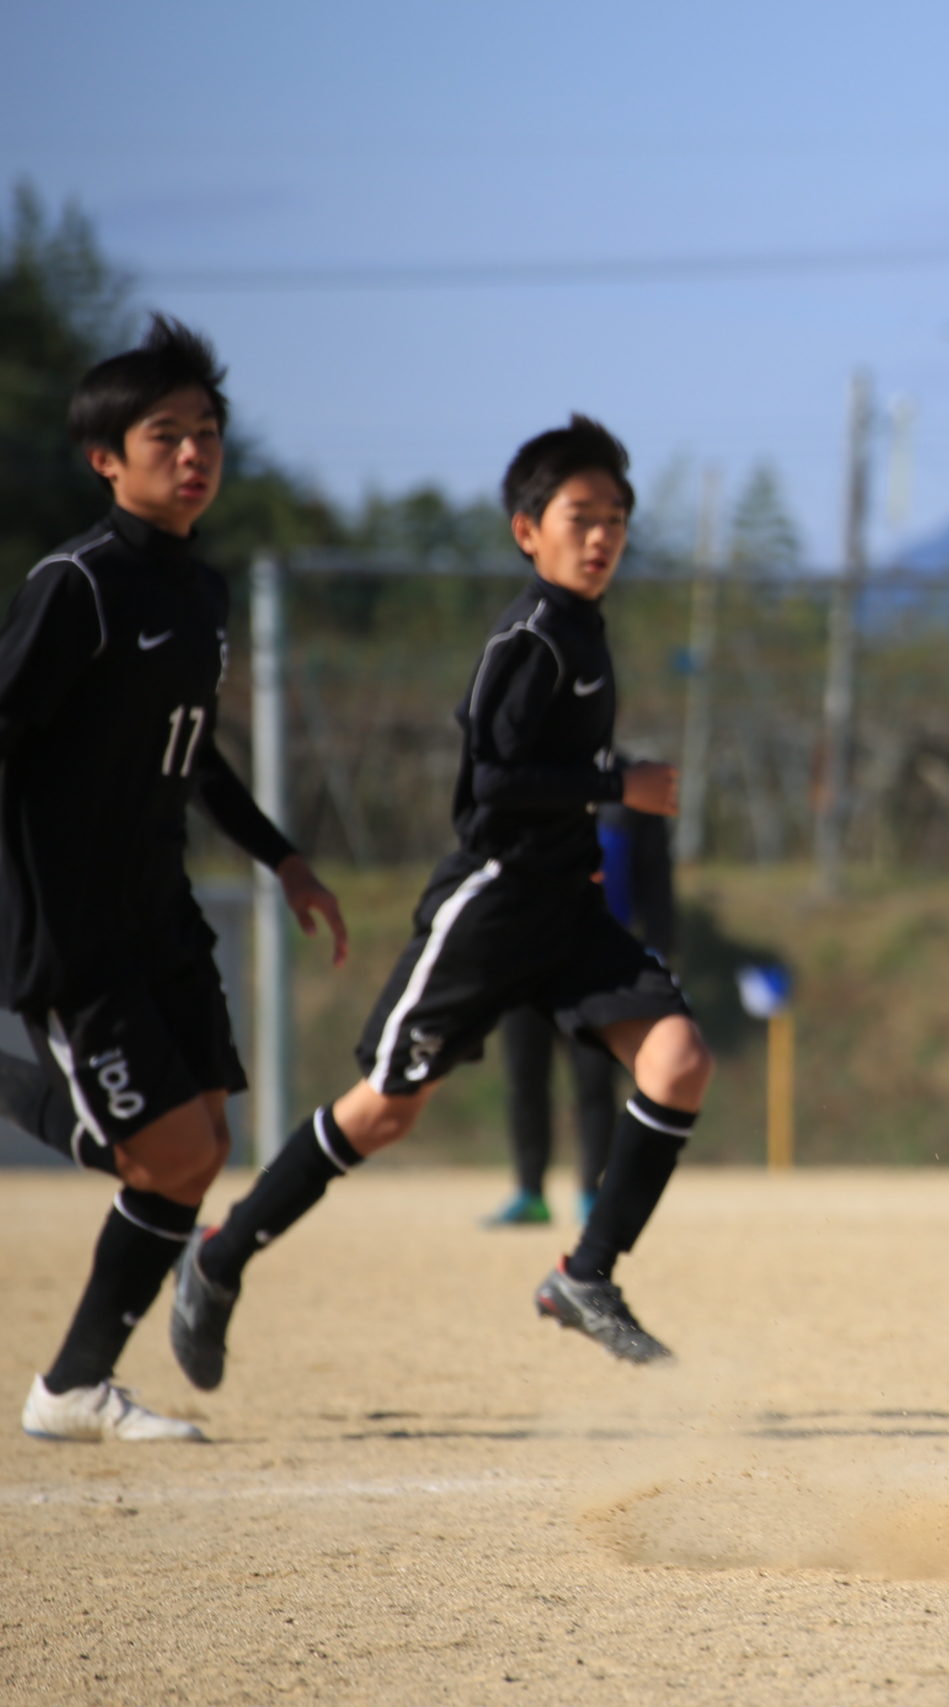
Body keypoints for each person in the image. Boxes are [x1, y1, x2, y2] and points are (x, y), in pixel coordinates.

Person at [168, 415, 712, 1381]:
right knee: (385, 1112)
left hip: (565, 908)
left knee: (677, 1062)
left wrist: (600, 789)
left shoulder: (586, 627)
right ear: (526, 530)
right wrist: (613, 781)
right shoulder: (531, 635)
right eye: (581, 516)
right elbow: (487, 785)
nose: (602, 536)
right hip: (492, 905)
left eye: (617, 518)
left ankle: (585, 1275)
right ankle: (220, 1255)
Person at [3, 318, 347, 1443]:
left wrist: (281, 856)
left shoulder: (197, 592)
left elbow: (193, 750)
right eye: (167, 435)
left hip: (162, 910)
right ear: (108, 458)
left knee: (202, 1139)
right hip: (79, 926)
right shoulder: (78, 587)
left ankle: (69, 1392)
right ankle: (69, 1391)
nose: (194, 453)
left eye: (208, 433)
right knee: (174, 1156)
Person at [484, 794, 677, 1227]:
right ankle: (530, 1191)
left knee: (594, 1083)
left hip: (599, 965)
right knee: (525, 1079)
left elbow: (656, 882)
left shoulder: (630, 790)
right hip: (524, 960)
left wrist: (658, 954)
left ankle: (592, 1191)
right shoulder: (522, 779)